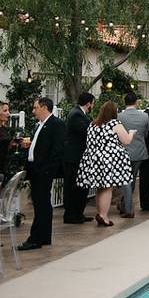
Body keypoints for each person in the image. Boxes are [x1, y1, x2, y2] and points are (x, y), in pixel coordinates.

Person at [17, 98, 65, 250]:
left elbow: (57, 150)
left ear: (44, 108)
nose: (33, 110)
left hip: (43, 171)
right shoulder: (40, 125)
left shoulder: (56, 124)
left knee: (41, 204)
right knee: (41, 204)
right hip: (36, 169)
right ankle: (44, 237)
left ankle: (36, 238)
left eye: (35, 107)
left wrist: (46, 170)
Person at [77, 101, 134, 228]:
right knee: (108, 188)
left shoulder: (93, 124)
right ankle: (104, 216)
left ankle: (100, 213)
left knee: (100, 187)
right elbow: (126, 141)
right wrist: (132, 133)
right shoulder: (115, 124)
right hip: (108, 160)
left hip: (93, 159)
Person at [63, 93, 94, 224]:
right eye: (92, 103)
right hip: (74, 157)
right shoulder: (76, 114)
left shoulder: (79, 113)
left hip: (77, 157)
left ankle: (78, 213)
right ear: (88, 104)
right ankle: (71, 215)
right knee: (74, 187)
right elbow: (86, 130)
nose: (93, 106)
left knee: (80, 187)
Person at [117, 93, 149, 218]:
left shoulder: (119, 116)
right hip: (139, 151)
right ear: (136, 102)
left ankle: (127, 206)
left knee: (125, 180)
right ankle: (126, 205)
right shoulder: (145, 116)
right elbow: (145, 133)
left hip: (123, 151)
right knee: (132, 179)